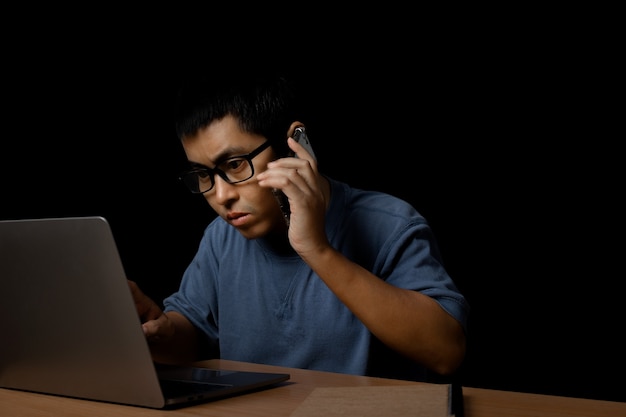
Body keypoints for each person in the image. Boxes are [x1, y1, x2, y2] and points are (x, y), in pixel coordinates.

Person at [129, 72, 469, 383]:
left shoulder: (390, 223)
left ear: (295, 142)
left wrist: (316, 249)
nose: (221, 196)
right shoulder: (221, 238)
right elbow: (194, 338)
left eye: (234, 165)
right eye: (203, 174)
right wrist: (156, 332)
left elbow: (445, 353)